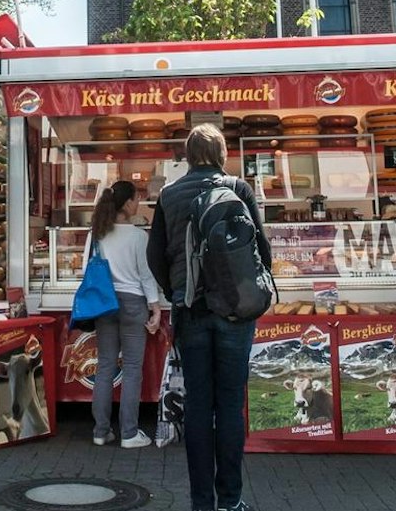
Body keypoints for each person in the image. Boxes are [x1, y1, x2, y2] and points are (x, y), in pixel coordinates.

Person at [147, 124, 269, 511]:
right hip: (235, 312)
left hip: (191, 312)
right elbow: (261, 248)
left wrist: (175, 293)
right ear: (221, 152)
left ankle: (201, 502)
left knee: (199, 404)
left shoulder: (169, 195)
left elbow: (154, 256)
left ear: (186, 155)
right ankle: (230, 500)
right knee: (231, 404)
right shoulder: (238, 188)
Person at [88, 180, 163, 449]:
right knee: (132, 369)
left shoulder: (97, 233)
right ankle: (129, 434)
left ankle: (100, 431)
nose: (138, 204)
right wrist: (155, 307)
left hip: (104, 303)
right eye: (136, 199)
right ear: (129, 204)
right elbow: (145, 276)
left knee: (106, 367)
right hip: (133, 304)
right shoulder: (138, 237)